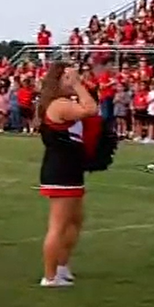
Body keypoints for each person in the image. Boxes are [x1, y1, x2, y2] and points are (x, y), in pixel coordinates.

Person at [37, 62, 99, 287]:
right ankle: (50, 276)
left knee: (75, 220)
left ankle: (62, 266)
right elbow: (91, 109)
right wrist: (79, 85)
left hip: (70, 169)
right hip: (60, 171)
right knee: (58, 225)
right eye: (67, 78)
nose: (73, 81)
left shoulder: (64, 103)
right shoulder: (59, 104)